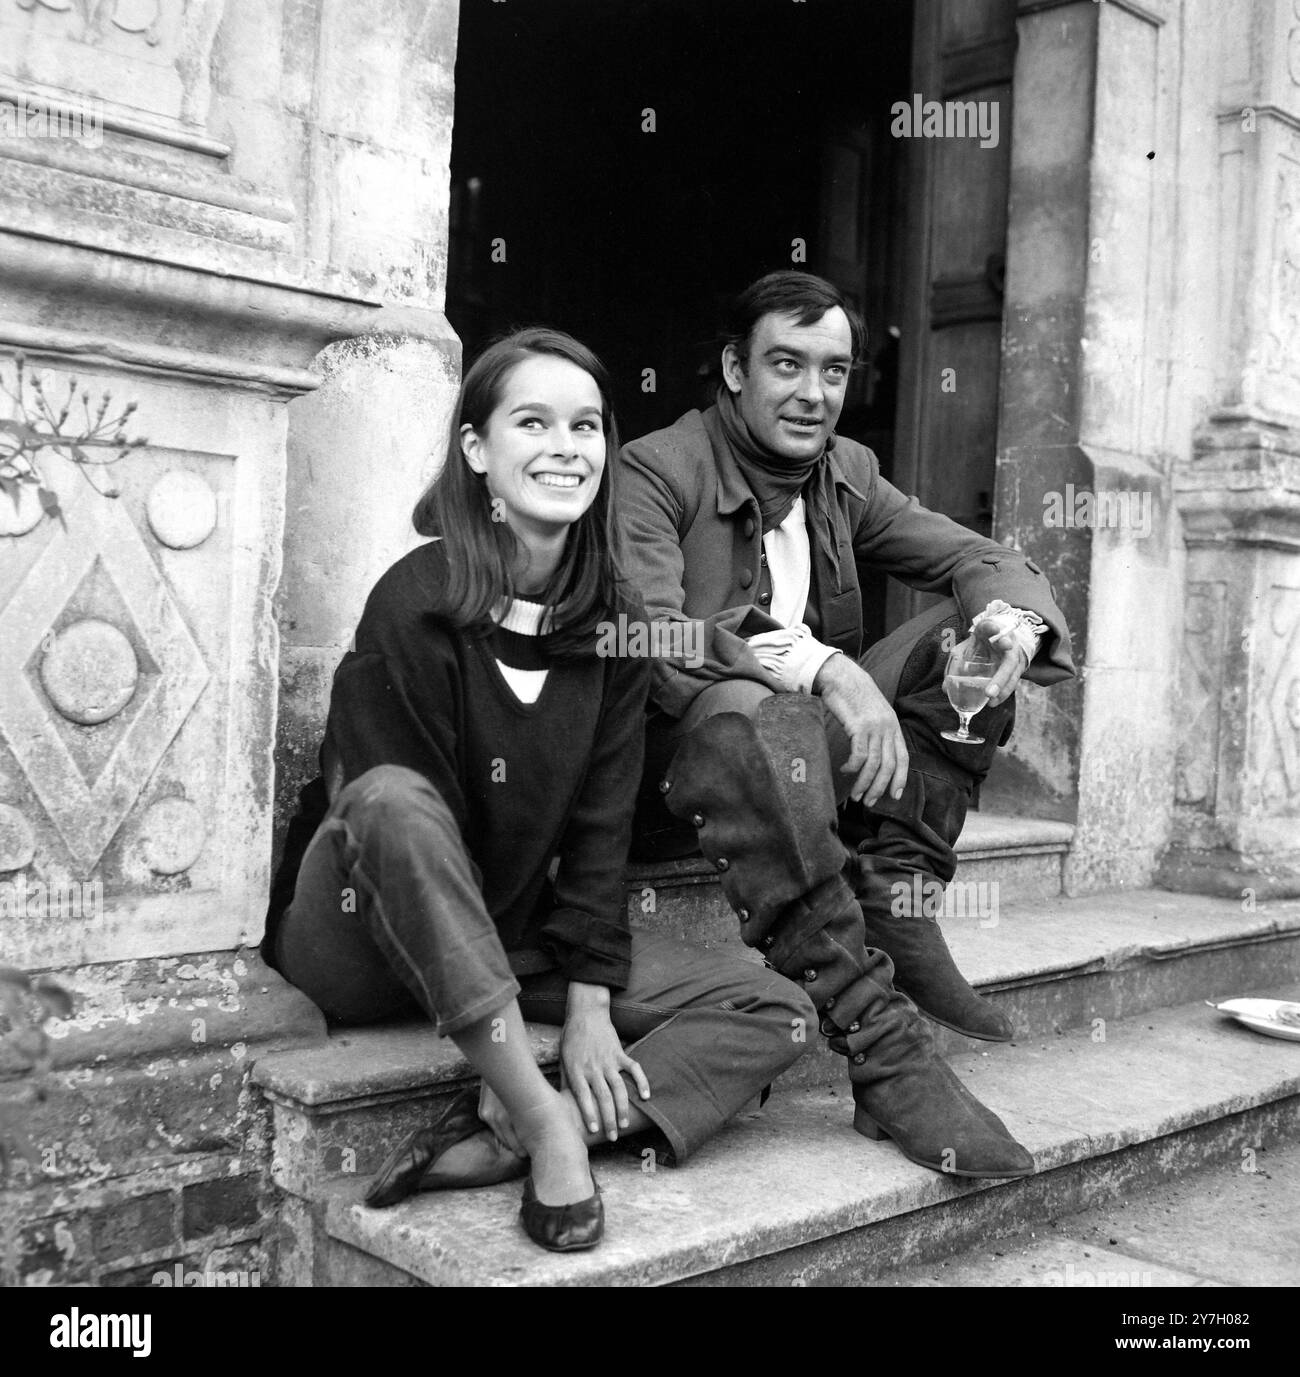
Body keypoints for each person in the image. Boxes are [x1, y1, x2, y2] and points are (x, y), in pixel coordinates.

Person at [263, 328, 815, 1253]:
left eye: (587, 425)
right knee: (396, 800)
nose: (566, 446)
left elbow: (600, 836)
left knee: (779, 1010)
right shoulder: (413, 603)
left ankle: (510, 1133)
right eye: (534, 422)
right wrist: (522, 1038)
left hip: (520, 936)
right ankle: (548, 1124)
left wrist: (593, 1005)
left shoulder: (614, 631)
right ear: (477, 451)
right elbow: (398, 827)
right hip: (360, 935)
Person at [617, 272, 1076, 1180]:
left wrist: (1011, 626)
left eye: (833, 369)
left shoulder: (847, 472)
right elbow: (653, 637)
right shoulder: (654, 469)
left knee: (968, 634)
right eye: (785, 364)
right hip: (674, 773)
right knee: (748, 710)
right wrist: (825, 667)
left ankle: (896, 896)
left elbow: (982, 557)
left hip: (794, 754)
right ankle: (886, 1048)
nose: (813, 392)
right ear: (732, 370)